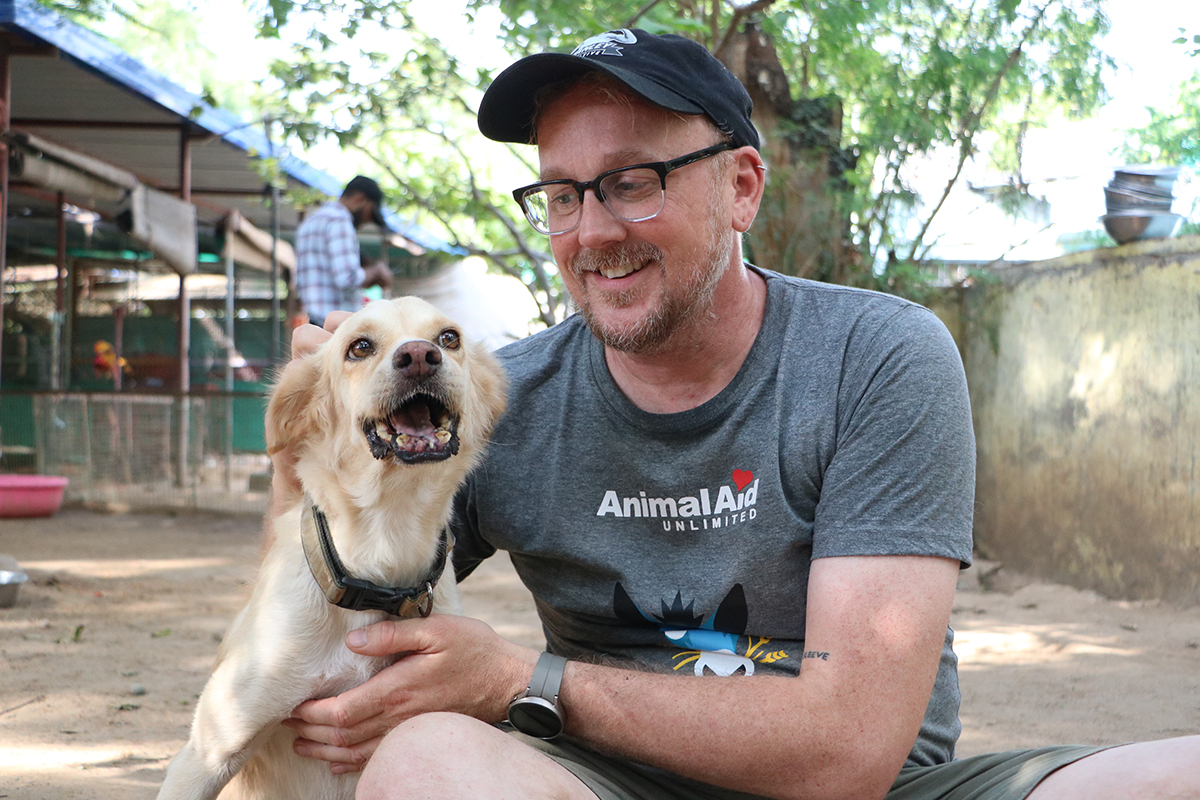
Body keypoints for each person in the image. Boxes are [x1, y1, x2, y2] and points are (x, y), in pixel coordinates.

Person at [272, 29, 1200, 800]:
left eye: (634, 181)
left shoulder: (876, 357)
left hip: (874, 795)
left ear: (742, 187)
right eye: (561, 194)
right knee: (428, 764)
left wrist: (523, 681)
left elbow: (848, 748)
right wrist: (311, 441)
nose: (592, 232)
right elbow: (324, 601)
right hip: (597, 786)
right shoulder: (496, 398)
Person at [293, 175, 394, 327]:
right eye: (370, 213)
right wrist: (377, 271)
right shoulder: (339, 220)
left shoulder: (310, 222)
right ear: (361, 198)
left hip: (316, 321)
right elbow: (347, 279)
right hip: (337, 328)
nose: (367, 221)